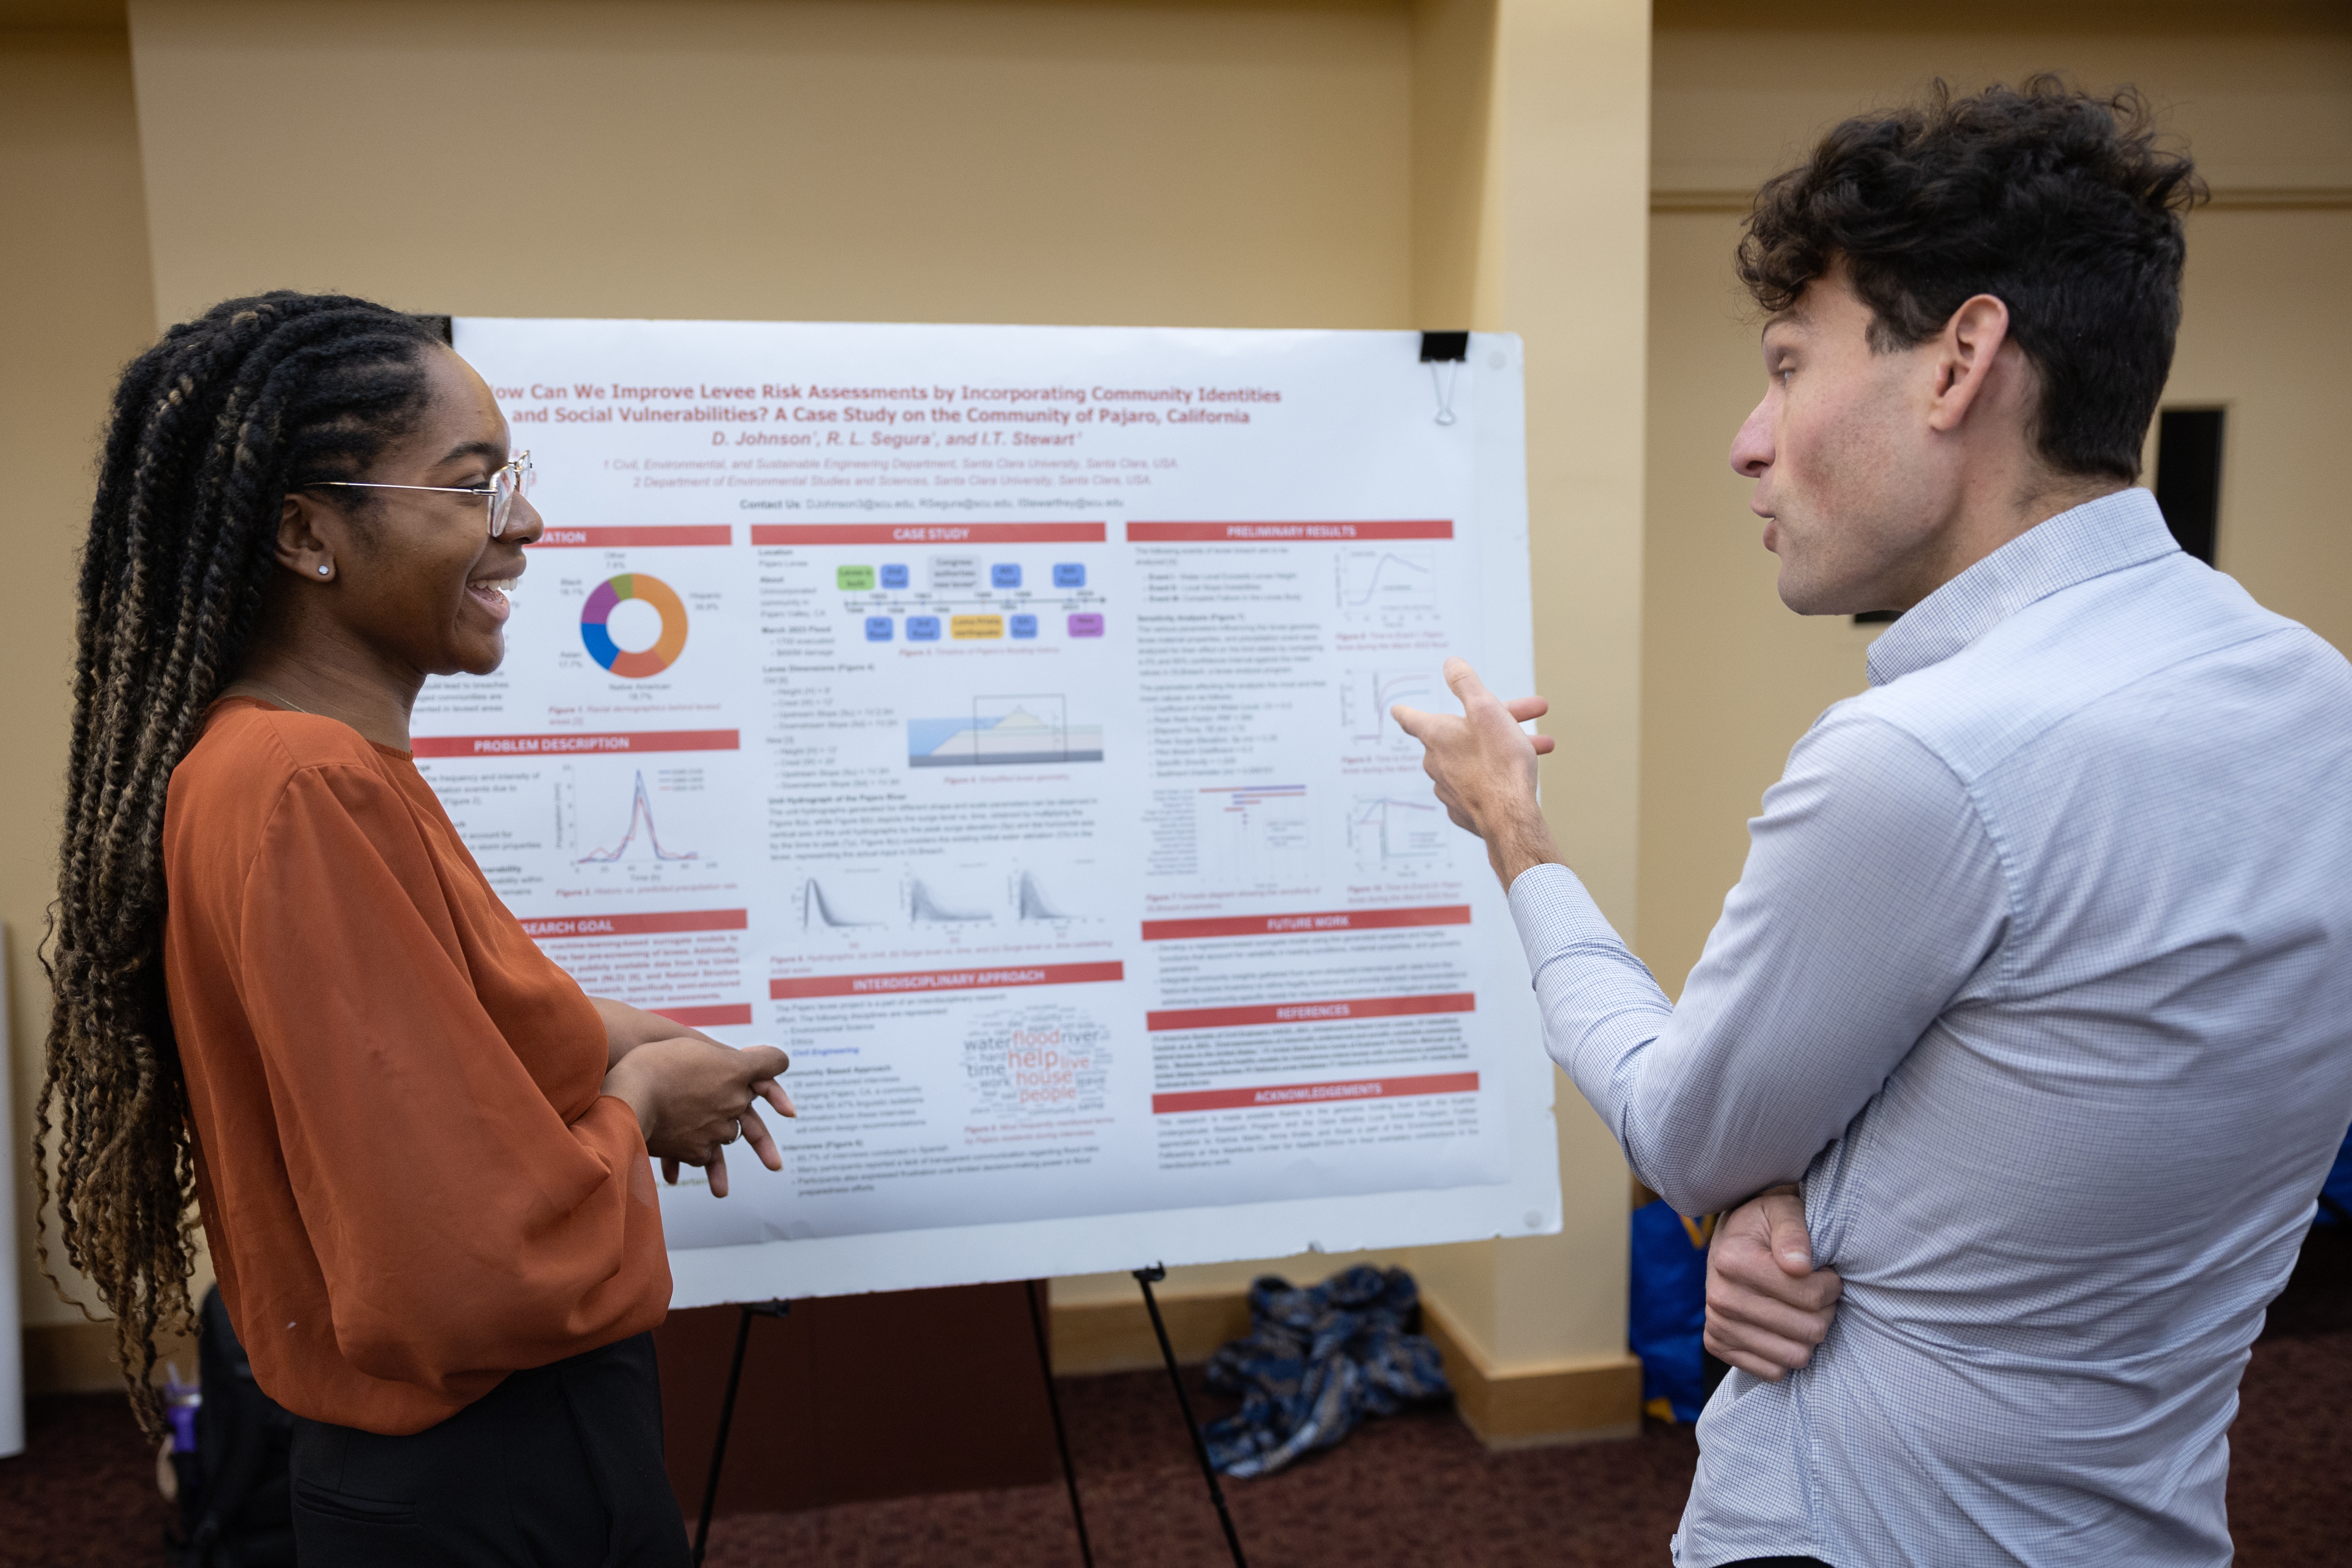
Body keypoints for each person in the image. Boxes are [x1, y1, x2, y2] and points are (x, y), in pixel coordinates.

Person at [1396, 79, 2352, 1566]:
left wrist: (1516, 832)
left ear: (1962, 361)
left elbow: (1686, 1136)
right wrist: (1793, 1203)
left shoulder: (1928, 757)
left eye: (1789, 367)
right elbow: (2079, 1085)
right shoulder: (2316, 696)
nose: (1749, 442)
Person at [38, 292, 794, 1564]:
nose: (525, 524)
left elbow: (453, 1033)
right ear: (307, 533)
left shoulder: (281, 764)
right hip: (487, 1480)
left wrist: (628, 1038)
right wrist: (643, 1102)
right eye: (473, 487)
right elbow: (459, 1268)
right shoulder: (304, 784)